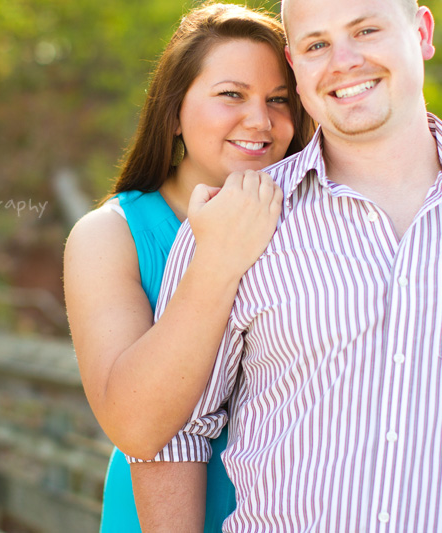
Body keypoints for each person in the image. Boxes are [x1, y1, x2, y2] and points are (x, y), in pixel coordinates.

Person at [129, 0, 442, 531]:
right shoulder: (232, 224)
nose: (343, 61)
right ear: (294, 66)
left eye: (366, 30)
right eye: (317, 44)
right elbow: (176, 429)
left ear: (422, 32)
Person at [63, 4, 314, 531]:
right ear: (174, 111)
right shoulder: (109, 236)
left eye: (278, 100)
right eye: (231, 94)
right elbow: (133, 423)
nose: (260, 121)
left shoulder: (318, 225)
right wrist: (218, 259)